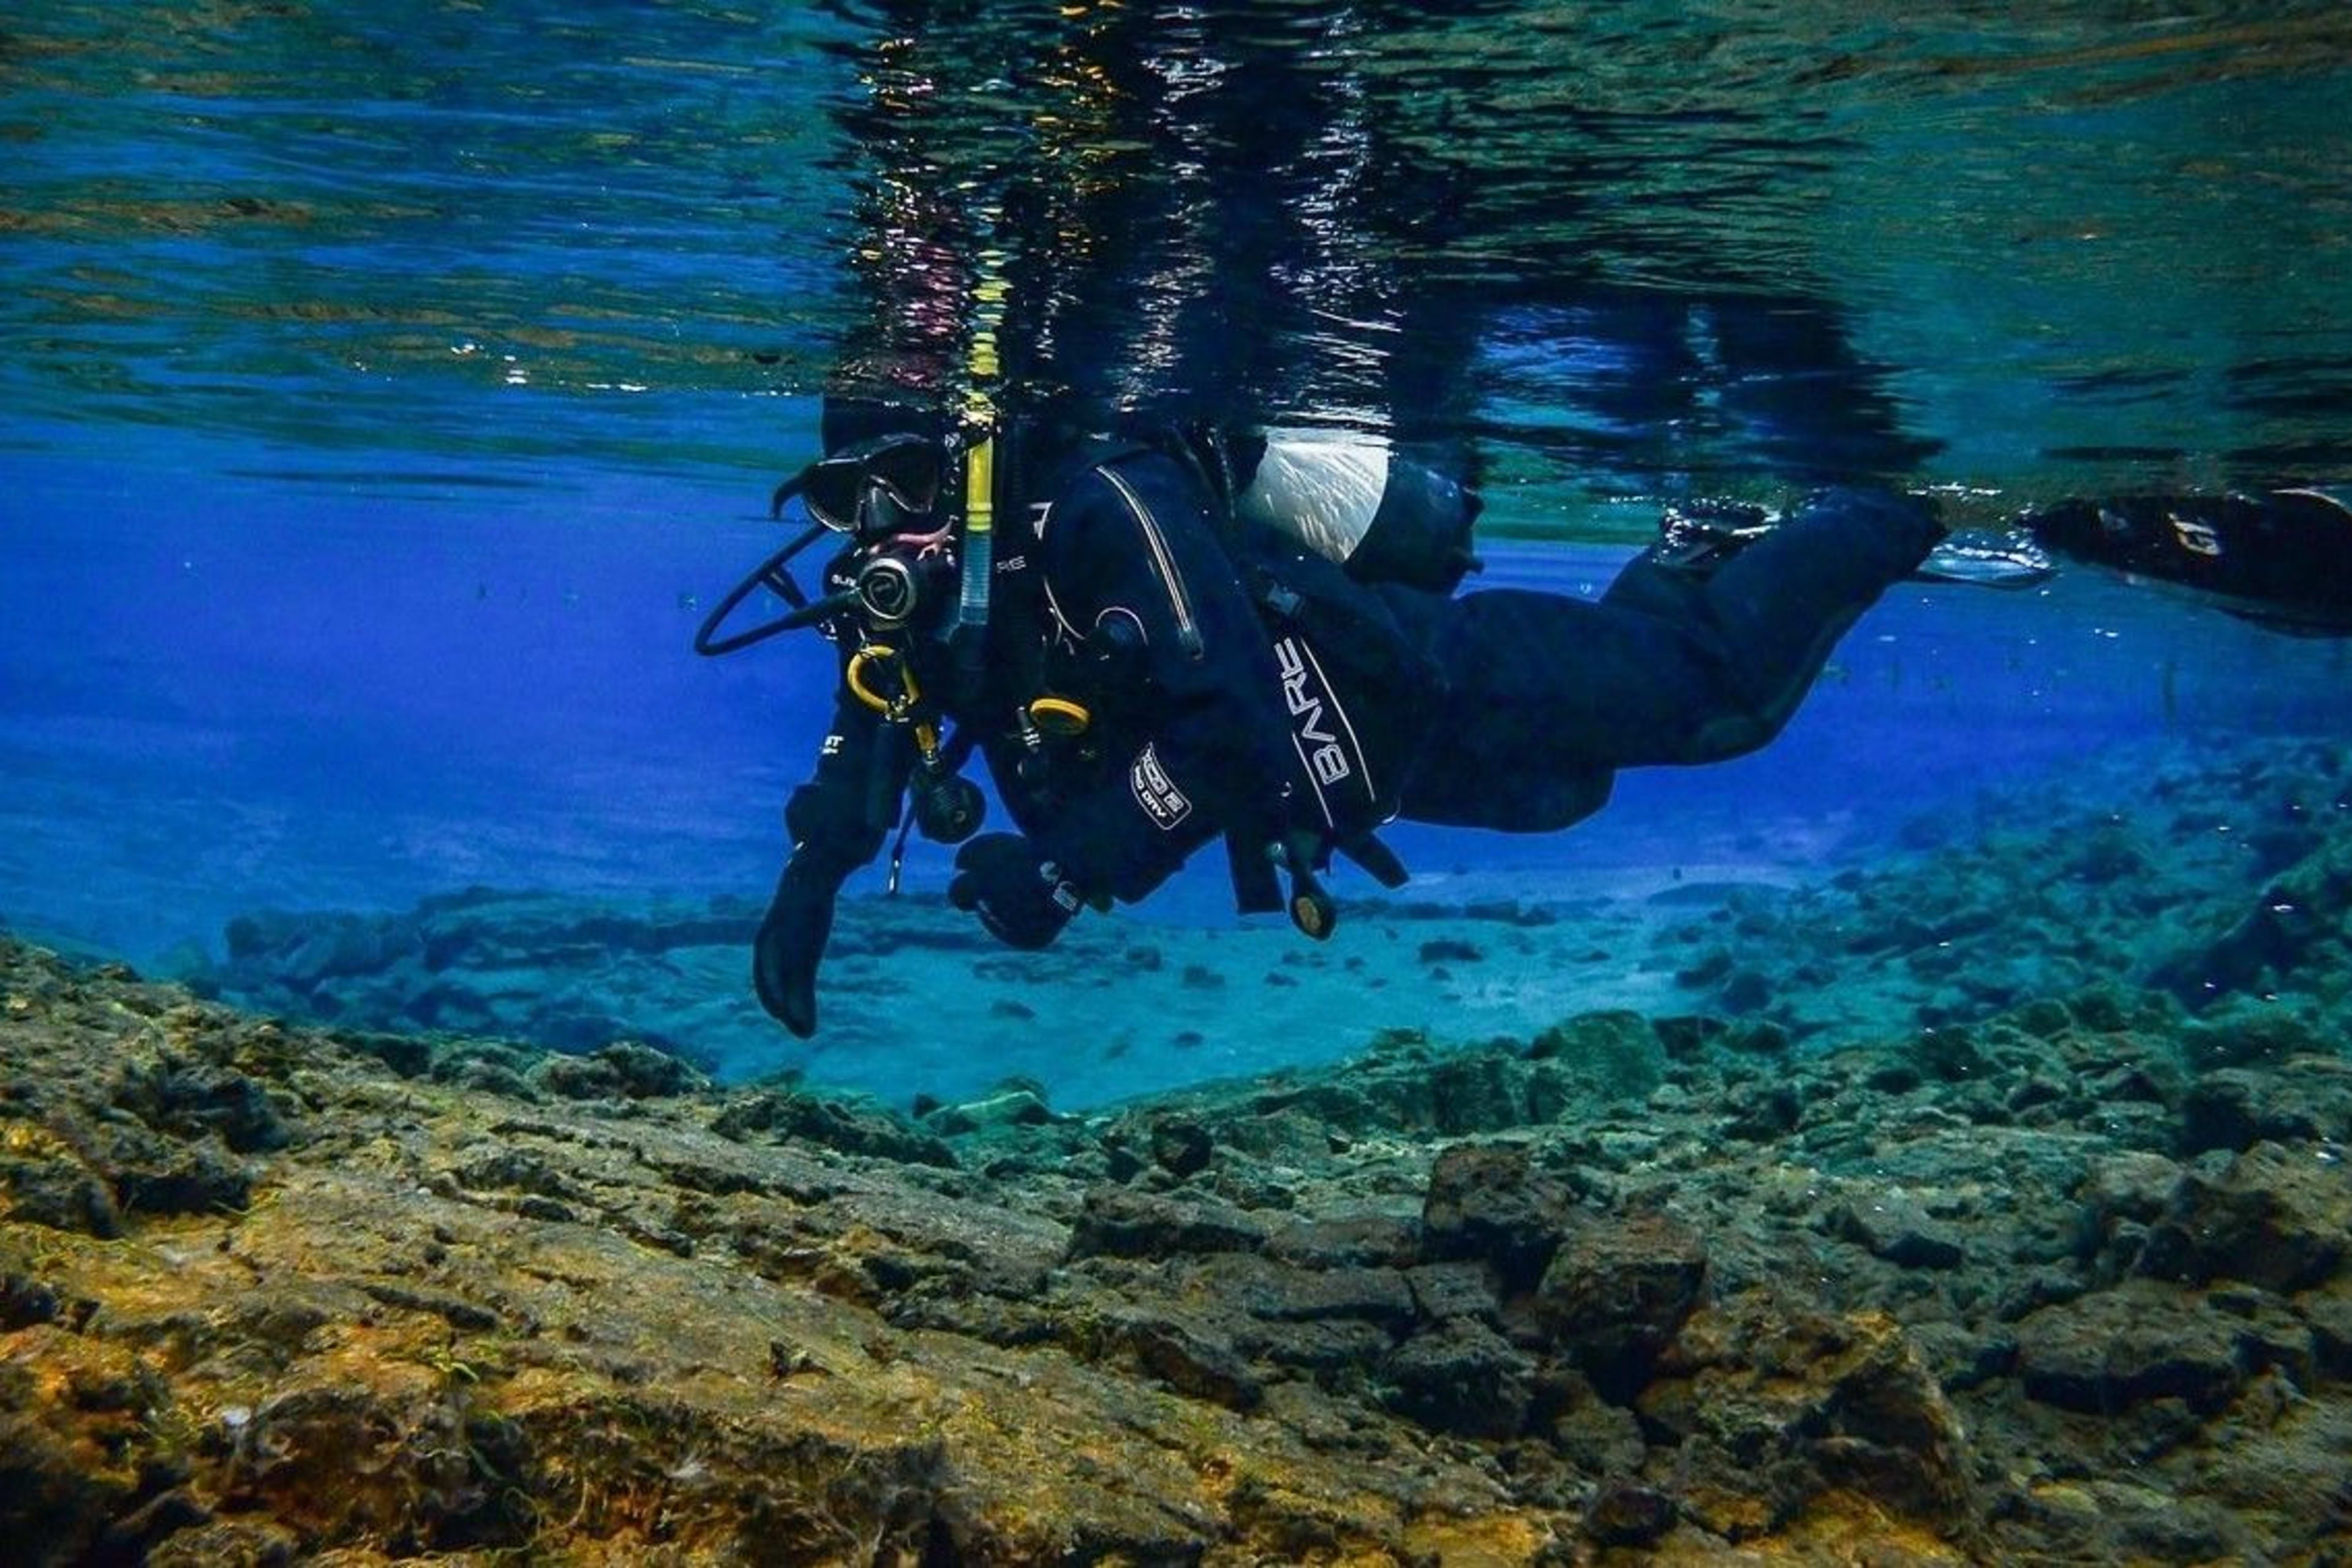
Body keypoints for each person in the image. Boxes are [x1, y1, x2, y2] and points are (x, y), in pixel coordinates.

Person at [701, 402, 1949, 1038]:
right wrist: (812, 875)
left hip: (1425, 676)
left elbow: (1229, 712)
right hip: (1362, 772)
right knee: (1572, 790)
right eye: (839, 501)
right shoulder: (912, 600)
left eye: (910, 486)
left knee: (1718, 705)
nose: (882, 532)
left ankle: (1900, 501)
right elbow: (875, 721)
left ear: (970, 469)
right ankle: (1694, 548)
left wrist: (1073, 870)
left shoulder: (1094, 501)